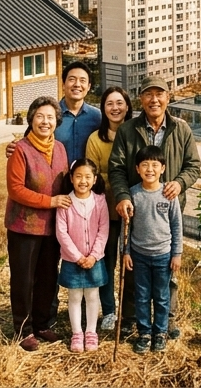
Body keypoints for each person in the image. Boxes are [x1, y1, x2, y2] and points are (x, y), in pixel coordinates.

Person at [107, 74, 200, 339]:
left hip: (167, 210)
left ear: (168, 98)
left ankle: (166, 321)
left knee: (168, 267)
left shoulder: (181, 129)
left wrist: (180, 183)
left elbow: (193, 166)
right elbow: (116, 168)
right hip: (135, 208)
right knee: (132, 266)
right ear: (141, 98)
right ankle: (130, 319)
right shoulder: (128, 130)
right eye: (149, 94)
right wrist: (123, 196)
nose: (154, 99)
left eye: (159, 94)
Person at [6, 96, 71, 350]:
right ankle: (23, 329)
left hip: (52, 227)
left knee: (47, 277)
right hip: (24, 227)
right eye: (40, 116)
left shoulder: (60, 148)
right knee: (23, 279)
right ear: (31, 119)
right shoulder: (20, 150)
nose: (45, 122)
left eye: (50, 117)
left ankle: (42, 324)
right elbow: (16, 190)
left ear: (57, 122)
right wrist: (50, 201)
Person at [122, 145, 182, 354]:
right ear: (137, 169)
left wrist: (177, 254)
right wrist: (126, 252)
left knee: (162, 297)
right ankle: (144, 333)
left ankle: (160, 333)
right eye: (145, 165)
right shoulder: (133, 194)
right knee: (141, 296)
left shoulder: (168, 194)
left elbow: (177, 225)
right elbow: (126, 228)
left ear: (163, 168)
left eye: (155, 165)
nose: (150, 169)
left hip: (163, 256)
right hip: (139, 255)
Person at [83, 86, 131, 331]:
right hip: (106, 212)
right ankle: (109, 310)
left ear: (127, 106)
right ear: (103, 108)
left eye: (120, 103)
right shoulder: (95, 139)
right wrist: (116, 180)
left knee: (132, 263)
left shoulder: (135, 134)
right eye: (109, 103)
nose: (115, 108)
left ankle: (131, 312)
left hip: (133, 211)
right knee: (107, 261)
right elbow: (92, 176)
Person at [55, 158, 110, 353]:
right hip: (73, 260)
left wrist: (94, 255)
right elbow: (61, 233)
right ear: (71, 178)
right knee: (75, 296)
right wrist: (77, 256)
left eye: (88, 177)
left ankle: (91, 332)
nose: (83, 181)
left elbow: (103, 229)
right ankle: (77, 333)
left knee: (93, 295)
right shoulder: (65, 202)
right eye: (78, 176)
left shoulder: (100, 201)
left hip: (95, 259)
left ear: (95, 179)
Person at [55, 61, 102, 160]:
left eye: (82, 80)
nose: (77, 84)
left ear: (88, 87)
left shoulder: (97, 117)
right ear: (63, 84)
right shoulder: (51, 115)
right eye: (72, 79)